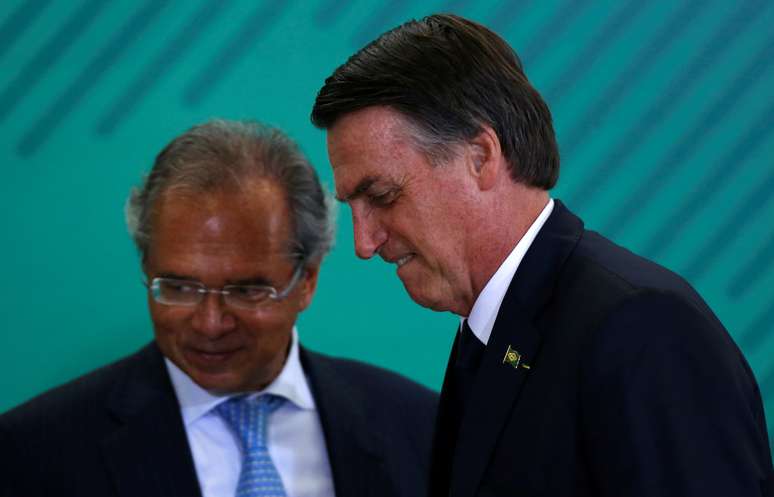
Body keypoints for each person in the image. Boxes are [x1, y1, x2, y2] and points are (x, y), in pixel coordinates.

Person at [311, 13, 774, 497]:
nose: (364, 244)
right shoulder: (491, 333)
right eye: (353, 209)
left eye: (382, 196)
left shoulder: (642, 327)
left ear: (481, 157)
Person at [0, 120, 437, 497]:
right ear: (146, 267)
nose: (210, 323)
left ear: (307, 281)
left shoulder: (422, 429)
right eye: (179, 287)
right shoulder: (32, 453)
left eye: (247, 291)